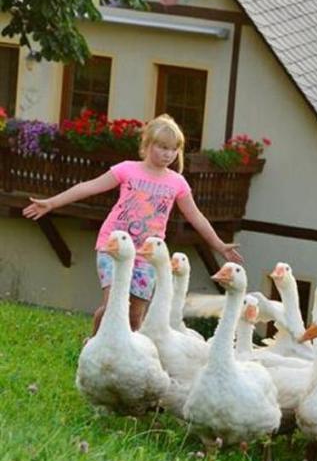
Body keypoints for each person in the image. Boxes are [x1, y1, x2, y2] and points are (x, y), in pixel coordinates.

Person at [22, 114, 243, 335]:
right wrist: (51, 203)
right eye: (163, 147)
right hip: (113, 248)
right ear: (147, 145)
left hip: (147, 256)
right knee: (113, 306)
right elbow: (87, 187)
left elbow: (196, 217)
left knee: (135, 317)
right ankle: (94, 346)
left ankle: (126, 357)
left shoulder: (177, 182)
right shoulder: (127, 169)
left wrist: (219, 245)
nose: (168, 154)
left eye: (173, 149)